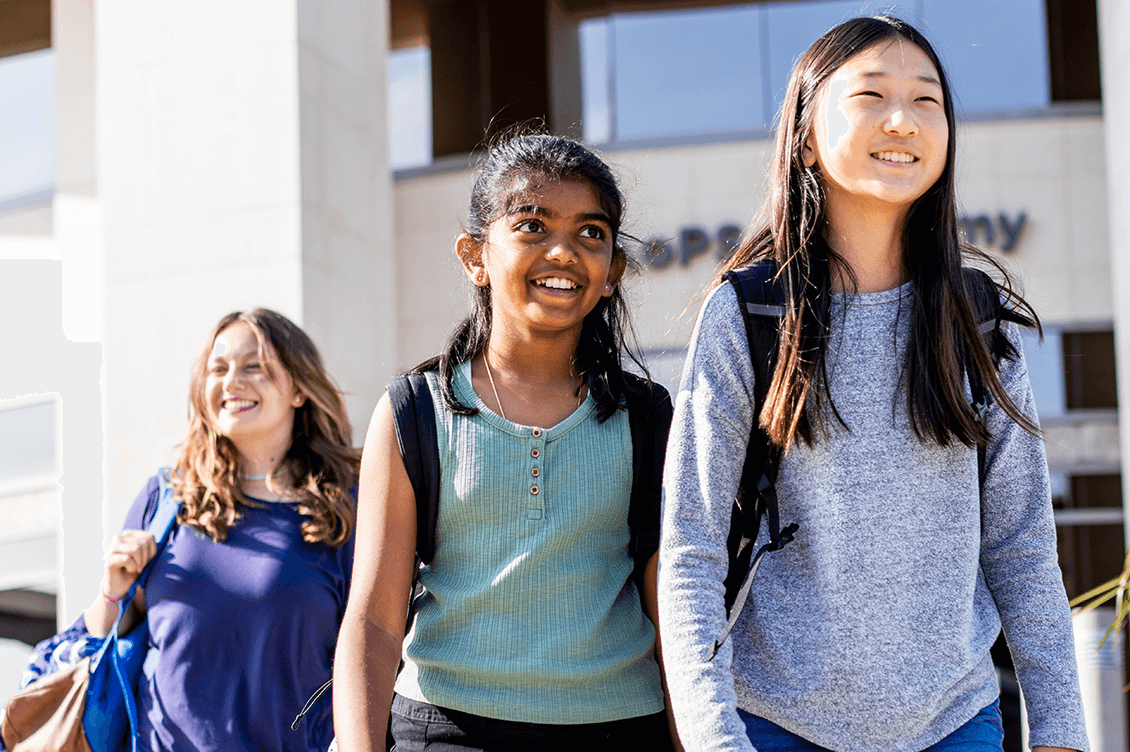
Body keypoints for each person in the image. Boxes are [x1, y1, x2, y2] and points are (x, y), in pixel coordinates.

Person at [657, 15, 1088, 752]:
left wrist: (1061, 730)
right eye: (871, 94)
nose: (903, 120)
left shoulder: (976, 319)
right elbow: (689, 546)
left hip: (956, 726)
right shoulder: (752, 311)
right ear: (805, 132)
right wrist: (714, 739)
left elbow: (1020, 549)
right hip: (775, 727)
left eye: (927, 101)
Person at [333, 131, 678, 751]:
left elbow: (673, 614)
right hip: (443, 731)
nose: (564, 252)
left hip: (622, 731)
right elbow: (374, 623)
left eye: (591, 234)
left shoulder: (647, 417)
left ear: (612, 274)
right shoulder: (413, 411)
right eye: (532, 227)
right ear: (475, 257)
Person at [80, 309, 359, 751]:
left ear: (300, 389)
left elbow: (378, 649)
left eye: (254, 367)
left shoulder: (347, 507)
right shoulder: (164, 497)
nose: (232, 382)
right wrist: (112, 591)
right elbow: (99, 644)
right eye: (218, 368)